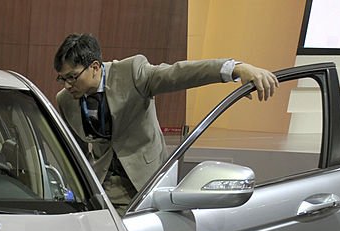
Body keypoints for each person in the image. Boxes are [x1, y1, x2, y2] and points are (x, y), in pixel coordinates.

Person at [53, 33, 279, 213]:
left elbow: (179, 73)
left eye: (72, 76)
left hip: (147, 179)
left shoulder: (132, 72)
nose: (67, 85)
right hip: (102, 187)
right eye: (62, 78)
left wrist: (236, 69)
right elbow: (75, 151)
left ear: (94, 66)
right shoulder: (65, 100)